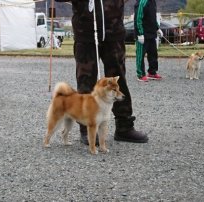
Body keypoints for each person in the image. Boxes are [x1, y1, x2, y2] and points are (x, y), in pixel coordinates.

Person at [54, 0, 148, 144]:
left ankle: (124, 126)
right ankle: (87, 128)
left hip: (114, 32)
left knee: (118, 80)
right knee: (86, 81)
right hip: (85, 33)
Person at [134, 0, 163, 82]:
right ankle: (140, 74)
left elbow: (152, 18)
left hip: (151, 33)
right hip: (142, 34)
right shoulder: (142, 2)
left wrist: (157, 28)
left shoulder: (153, 2)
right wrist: (140, 33)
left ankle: (152, 72)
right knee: (140, 55)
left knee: (153, 54)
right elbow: (138, 19)